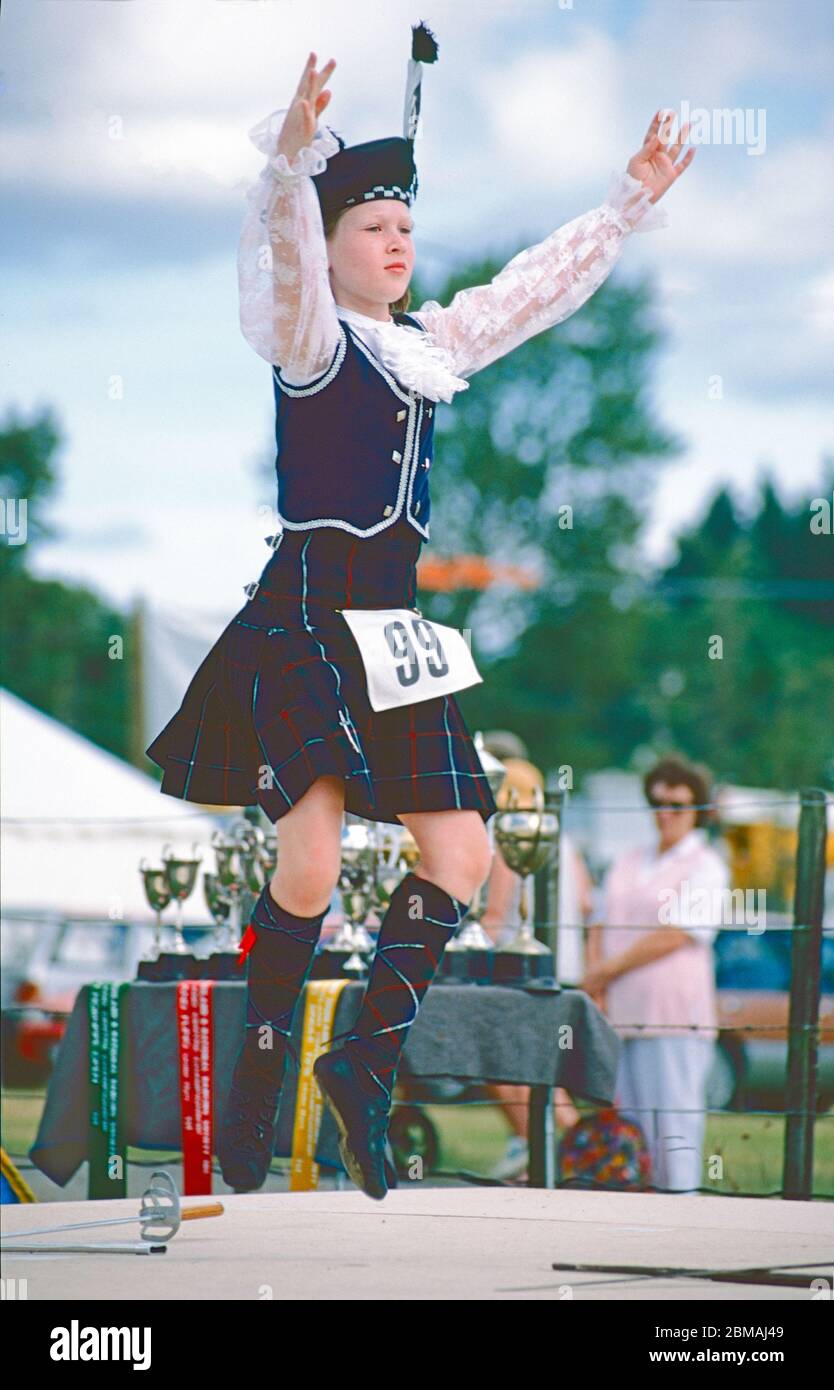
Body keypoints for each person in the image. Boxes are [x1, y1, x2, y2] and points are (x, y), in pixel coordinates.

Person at [145, 23, 695, 1202]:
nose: (396, 244)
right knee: (306, 864)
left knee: (462, 851)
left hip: (392, 628)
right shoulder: (309, 339)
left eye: (406, 229)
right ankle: (253, 1101)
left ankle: (363, 1067)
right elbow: (286, 262)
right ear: (334, 243)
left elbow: (530, 293)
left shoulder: (432, 347)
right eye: (373, 229)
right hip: (304, 617)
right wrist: (291, 166)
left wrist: (622, 207)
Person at [581, 755, 729, 1193]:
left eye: (677, 805)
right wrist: (596, 980)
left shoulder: (707, 866)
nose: (665, 814)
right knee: (630, 1126)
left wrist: (606, 970)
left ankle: (680, 1210)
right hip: (622, 1014)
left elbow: (679, 934)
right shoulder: (628, 860)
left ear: (696, 810)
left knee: (675, 1124)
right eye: (658, 803)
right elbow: (599, 920)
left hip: (673, 1013)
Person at [479, 749, 594, 1179]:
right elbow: (585, 901)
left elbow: (495, 914)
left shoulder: (510, 834)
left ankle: (566, 1150)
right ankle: (559, 1151)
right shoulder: (563, 837)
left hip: (522, 970)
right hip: (566, 966)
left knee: (512, 1066)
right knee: (544, 1070)